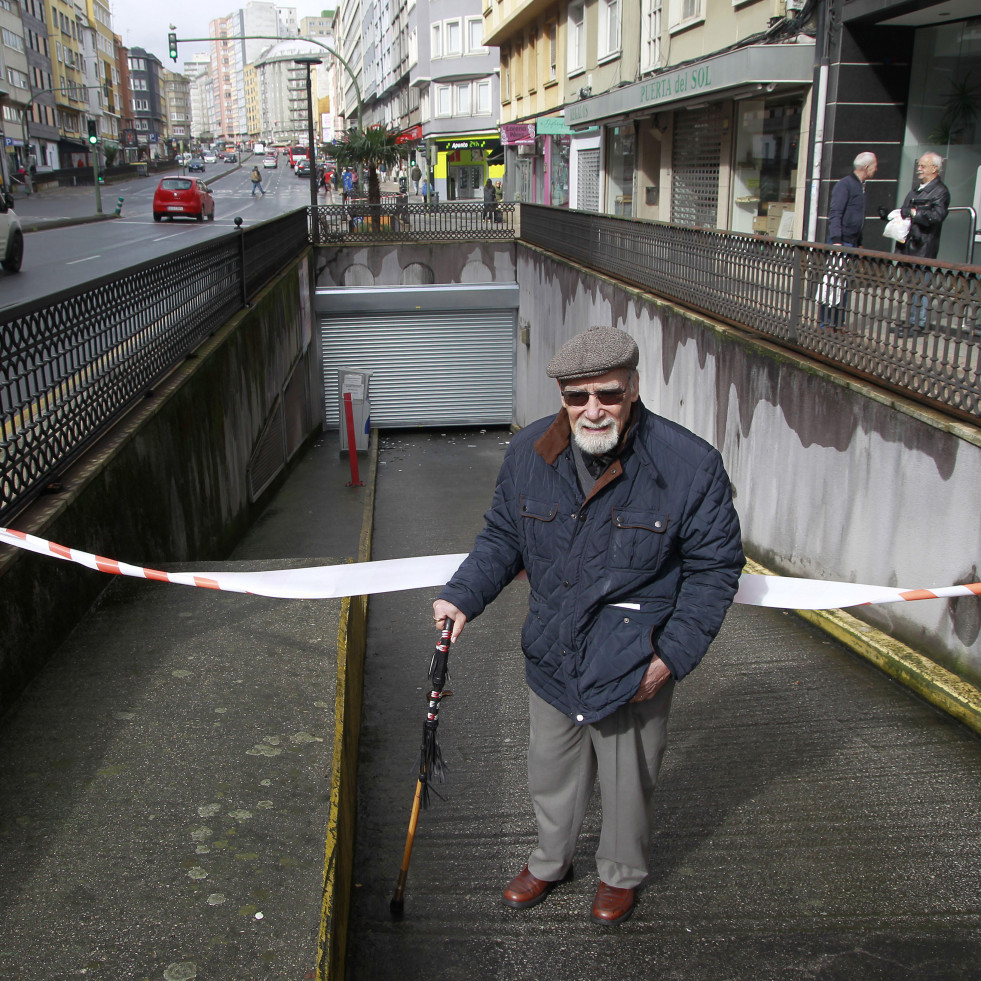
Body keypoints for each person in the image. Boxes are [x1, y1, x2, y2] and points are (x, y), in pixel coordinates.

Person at [432, 325, 743, 926]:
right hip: (553, 651)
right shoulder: (528, 454)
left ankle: (620, 875)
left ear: (632, 389)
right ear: (562, 397)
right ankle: (551, 862)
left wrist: (670, 657)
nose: (592, 410)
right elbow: (502, 537)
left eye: (608, 394)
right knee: (550, 771)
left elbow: (716, 568)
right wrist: (462, 596)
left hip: (633, 660)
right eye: (578, 397)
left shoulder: (688, 464)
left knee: (630, 783)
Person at [892, 152, 950, 334]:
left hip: (924, 246)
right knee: (911, 286)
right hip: (909, 244)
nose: (919, 168)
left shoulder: (940, 191)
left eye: (923, 166)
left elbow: (937, 216)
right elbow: (905, 209)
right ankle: (912, 321)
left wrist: (916, 213)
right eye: (919, 165)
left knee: (920, 286)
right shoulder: (917, 189)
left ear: (934, 168)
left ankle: (918, 324)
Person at [819, 151, 877, 331]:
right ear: (866, 167)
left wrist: (859, 241)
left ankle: (838, 322)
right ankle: (826, 322)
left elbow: (857, 218)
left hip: (851, 242)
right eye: (875, 165)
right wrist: (837, 240)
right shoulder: (845, 185)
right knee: (833, 283)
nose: (876, 169)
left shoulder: (860, 187)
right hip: (842, 241)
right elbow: (836, 213)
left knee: (843, 285)